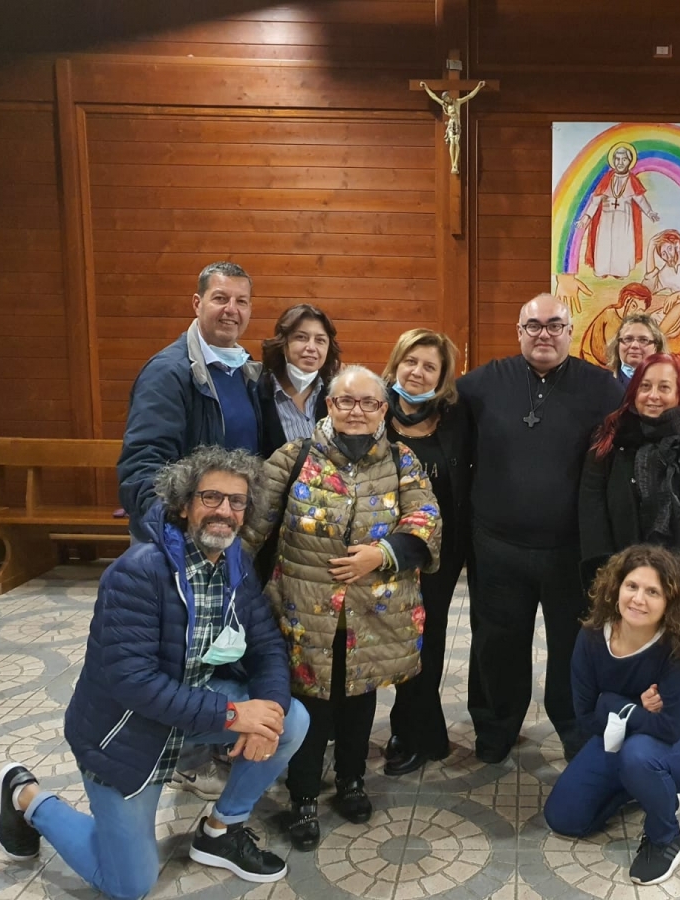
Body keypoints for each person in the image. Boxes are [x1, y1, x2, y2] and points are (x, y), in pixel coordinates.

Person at [0, 447, 309, 899]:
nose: (225, 510)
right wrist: (231, 715)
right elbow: (133, 683)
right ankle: (26, 797)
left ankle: (221, 830)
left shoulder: (234, 563)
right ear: (184, 506)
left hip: (193, 708)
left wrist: (270, 713)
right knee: (130, 884)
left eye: (237, 501)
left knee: (292, 720)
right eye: (211, 497)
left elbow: (266, 648)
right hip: (126, 733)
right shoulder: (138, 572)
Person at [242, 365, 440, 849]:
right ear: (329, 406)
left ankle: (352, 781)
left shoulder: (400, 460)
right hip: (303, 610)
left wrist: (382, 553)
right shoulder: (294, 458)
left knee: (358, 698)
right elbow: (251, 530)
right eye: (346, 401)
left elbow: (427, 517)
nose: (357, 411)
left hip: (372, 613)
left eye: (369, 403)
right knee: (307, 707)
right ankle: (303, 795)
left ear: (383, 410)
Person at [458, 294, 624, 763]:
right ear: (519, 331)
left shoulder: (603, 389)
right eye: (533, 326)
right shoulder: (481, 384)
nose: (544, 334)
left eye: (555, 325)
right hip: (497, 547)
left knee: (575, 647)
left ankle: (574, 729)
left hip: (571, 551)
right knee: (495, 642)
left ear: (570, 332)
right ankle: (495, 727)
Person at [543, 545, 680, 887]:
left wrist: (610, 706)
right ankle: (649, 790)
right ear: (616, 588)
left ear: (670, 601)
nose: (638, 599)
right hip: (621, 737)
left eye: (653, 592)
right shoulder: (592, 637)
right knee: (563, 818)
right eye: (632, 586)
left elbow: (670, 728)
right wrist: (627, 705)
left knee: (640, 755)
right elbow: (585, 717)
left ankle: (665, 838)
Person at [379, 329, 471, 776]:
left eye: (429, 366)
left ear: (442, 376)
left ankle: (415, 729)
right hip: (380, 552)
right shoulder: (373, 414)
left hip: (438, 554)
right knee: (385, 640)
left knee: (425, 638)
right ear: (396, 364)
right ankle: (401, 727)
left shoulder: (456, 418)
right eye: (410, 361)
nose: (417, 372)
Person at [579, 352, 680, 603]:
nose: (653, 395)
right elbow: (592, 512)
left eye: (664, 387)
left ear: (679, 394)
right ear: (634, 391)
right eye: (645, 386)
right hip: (624, 585)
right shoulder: (609, 441)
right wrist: (603, 577)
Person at [118, 262, 263, 544]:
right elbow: (142, 463)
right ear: (197, 303)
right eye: (220, 298)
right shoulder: (167, 373)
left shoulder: (247, 371)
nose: (231, 309)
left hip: (229, 532)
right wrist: (171, 531)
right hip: (180, 536)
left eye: (241, 301)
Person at [258, 304, 342, 458]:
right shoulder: (257, 392)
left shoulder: (337, 395)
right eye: (301, 337)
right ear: (283, 344)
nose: (311, 347)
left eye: (320, 340)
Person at [578, 143, 660, 279]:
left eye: (624, 159)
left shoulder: (632, 180)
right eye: (617, 159)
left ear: (629, 161)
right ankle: (602, 270)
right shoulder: (606, 179)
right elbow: (595, 201)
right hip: (606, 218)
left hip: (624, 220)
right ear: (613, 161)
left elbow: (640, 200)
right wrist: (585, 218)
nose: (620, 162)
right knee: (604, 244)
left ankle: (620, 272)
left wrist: (650, 213)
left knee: (621, 244)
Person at [578, 282, 654, 368]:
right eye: (633, 306)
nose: (635, 313)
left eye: (640, 310)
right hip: (596, 364)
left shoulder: (631, 322)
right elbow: (612, 353)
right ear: (626, 301)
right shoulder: (610, 316)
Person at [606, 310, 667, 388]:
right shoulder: (603, 385)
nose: (634, 345)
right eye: (628, 339)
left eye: (643, 340)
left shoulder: (670, 389)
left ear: (656, 347)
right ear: (618, 345)